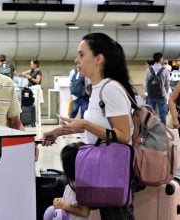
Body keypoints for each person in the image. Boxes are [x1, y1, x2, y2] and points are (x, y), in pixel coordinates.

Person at [42, 32, 137, 220]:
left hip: (114, 170)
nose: (76, 60)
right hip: (104, 168)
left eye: (81, 54)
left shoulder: (110, 88)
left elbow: (123, 136)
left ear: (98, 59)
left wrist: (85, 123)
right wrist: (57, 132)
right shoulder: (98, 88)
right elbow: (96, 127)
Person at [43, 142, 90, 220]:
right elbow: (73, 202)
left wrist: (63, 206)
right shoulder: (72, 184)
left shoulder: (80, 187)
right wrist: (61, 201)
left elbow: (84, 212)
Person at [144, 52, 170, 124]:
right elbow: (167, 84)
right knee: (162, 115)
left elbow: (145, 83)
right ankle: (163, 131)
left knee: (149, 114)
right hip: (161, 95)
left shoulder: (148, 70)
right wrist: (166, 93)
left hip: (151, 95)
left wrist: (146, 93)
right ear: (161, 59)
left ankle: (148, 129)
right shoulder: (165, 70)